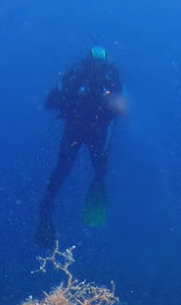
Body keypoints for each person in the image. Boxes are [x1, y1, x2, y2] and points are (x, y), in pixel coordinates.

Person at [36, 45, 125, 247]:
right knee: (69, 170)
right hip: (83, 130)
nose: (96, 71)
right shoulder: (85, 77)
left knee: (88, 171)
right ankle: (47, 206)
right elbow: (51, 101)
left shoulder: (97, 77)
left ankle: (48, 205)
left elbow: (120, 108)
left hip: (84, 130)